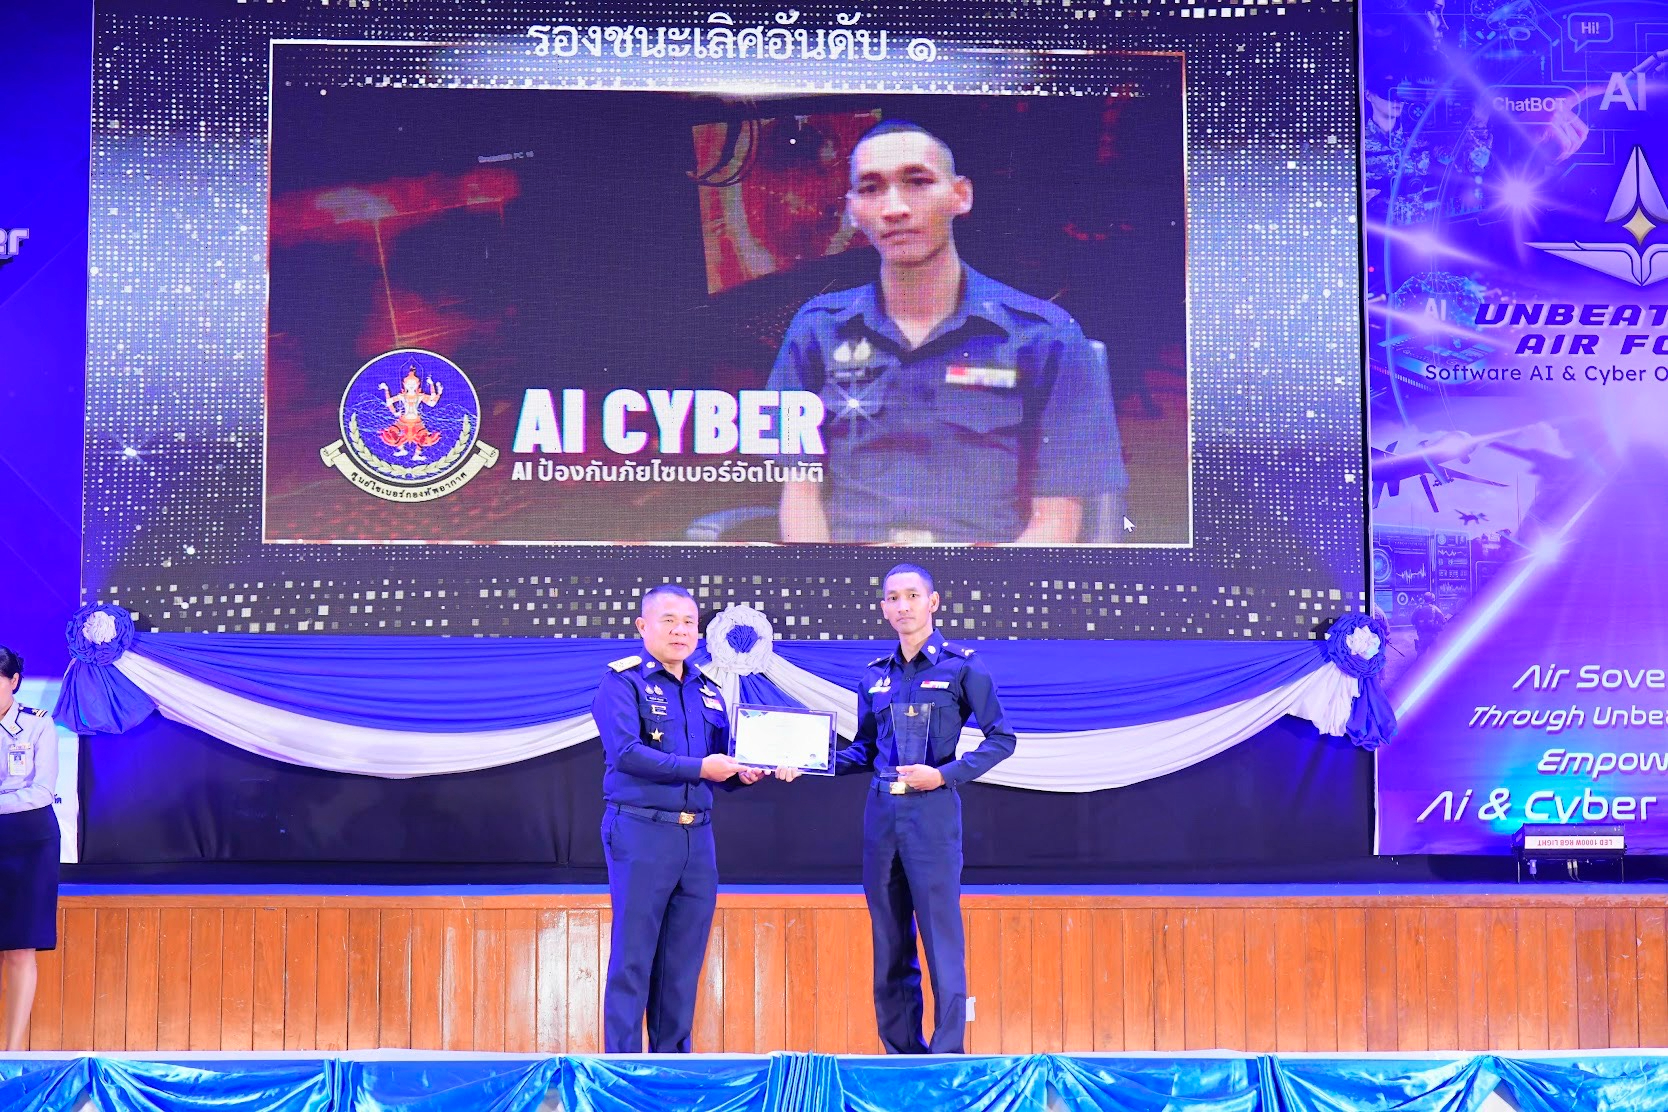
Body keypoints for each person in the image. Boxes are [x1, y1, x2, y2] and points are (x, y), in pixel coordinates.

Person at [766, 120, 1123, 544]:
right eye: (871, 188)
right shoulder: (817, 330)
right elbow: (800, 497)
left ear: (960, 195)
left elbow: (1056, 520)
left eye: (918, 182)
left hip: (987, 570)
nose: (894, 208)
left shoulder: (1047, 338)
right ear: (853, 210)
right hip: (853, 566)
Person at [591, 584, 793, 1053]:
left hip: (697, 839)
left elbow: (724, 762)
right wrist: (702, 768)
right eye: (669, 621)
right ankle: (621, 1069)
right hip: (640, 830)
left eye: (688, 622)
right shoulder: (622, 683)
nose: (681, 631)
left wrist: (747, 772)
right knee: (634, 958)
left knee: (682, 963)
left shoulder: (707, 690)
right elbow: (626, 753)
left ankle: (672, 1067)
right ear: (643, 626)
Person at [834, 564, 1015, 1053]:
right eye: (893, 598)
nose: (903, 606)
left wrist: (944, 775)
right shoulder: (874, 676)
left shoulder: (963, 667)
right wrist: (808, 762)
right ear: (883, 608)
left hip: (932, 812)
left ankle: (947, 1054)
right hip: (881, 816)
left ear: (932, 602)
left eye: (913, 596)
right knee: (889, 939)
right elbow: (864, 750)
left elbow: (1002, 739)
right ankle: (900, 1053)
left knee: (941, 938)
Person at [0, 646, 59, 1051]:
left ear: (14, 681)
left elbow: (42, 791)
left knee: (20, 950)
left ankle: (10, 1055)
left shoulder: (38, 723)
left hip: (28, 842)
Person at [1411, 591, 1448, 655]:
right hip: (1432, 635)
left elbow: (1412, 620)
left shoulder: (1418, 608)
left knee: (1421, 654)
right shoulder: (1435, 608)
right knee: (1435, 655)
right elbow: (1443, 620)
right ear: (1432, 600)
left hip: (1421, 634)